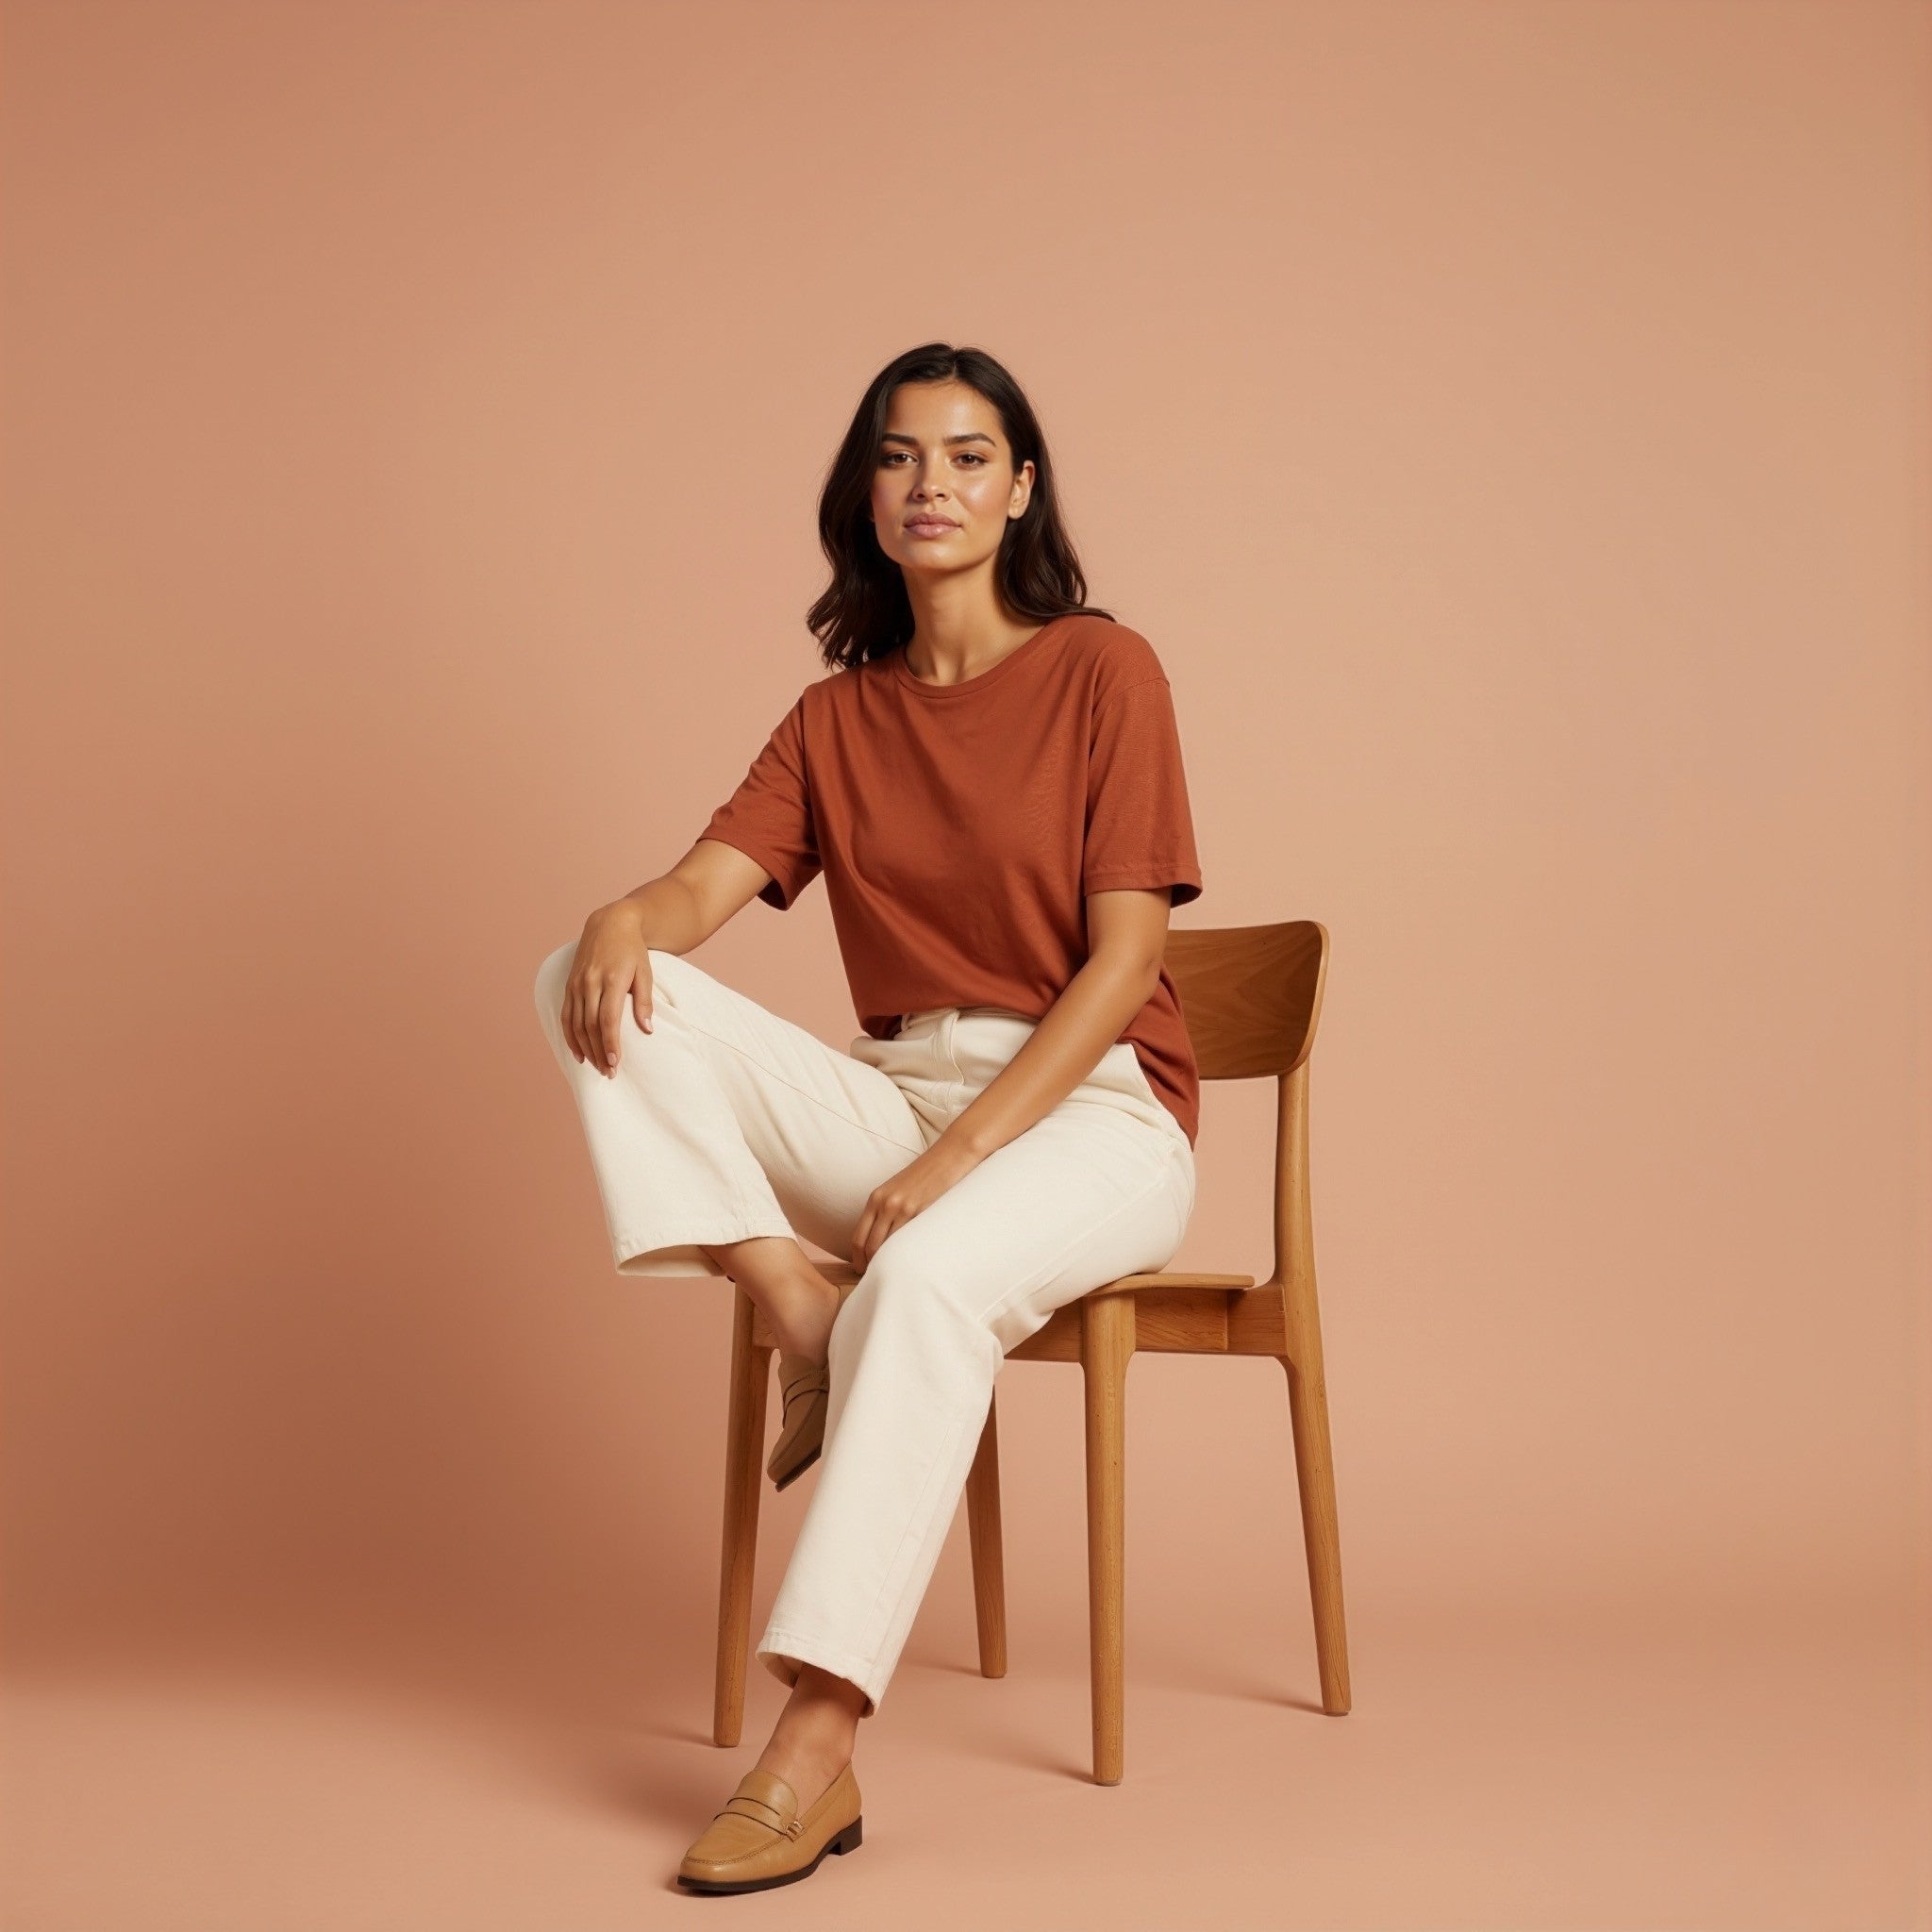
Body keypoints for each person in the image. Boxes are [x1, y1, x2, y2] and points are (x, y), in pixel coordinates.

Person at [532, 341, 1205, 1894]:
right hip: (894, 1094)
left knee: (925, 1272)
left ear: (1021, 487)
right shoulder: (836, 719)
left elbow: (1123, 966)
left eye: (970, 457)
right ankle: (786, 1294)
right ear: (866, 492)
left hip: (1095, 1117)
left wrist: (957, 1165)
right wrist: (629, 907)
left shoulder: (1110, 671)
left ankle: (813, 1750)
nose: (933, 486)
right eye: (902, 458)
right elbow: (705, 891)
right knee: (584, 969)